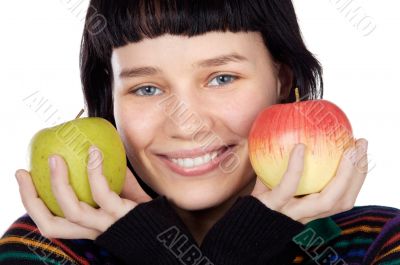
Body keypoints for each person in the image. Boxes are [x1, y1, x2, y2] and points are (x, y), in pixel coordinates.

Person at [1, 0, 399, 264]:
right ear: (111, 99)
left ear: (281, 79)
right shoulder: (44, 250)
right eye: (147, 88)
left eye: (222, 78)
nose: (186, 124)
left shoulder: (380, 243)